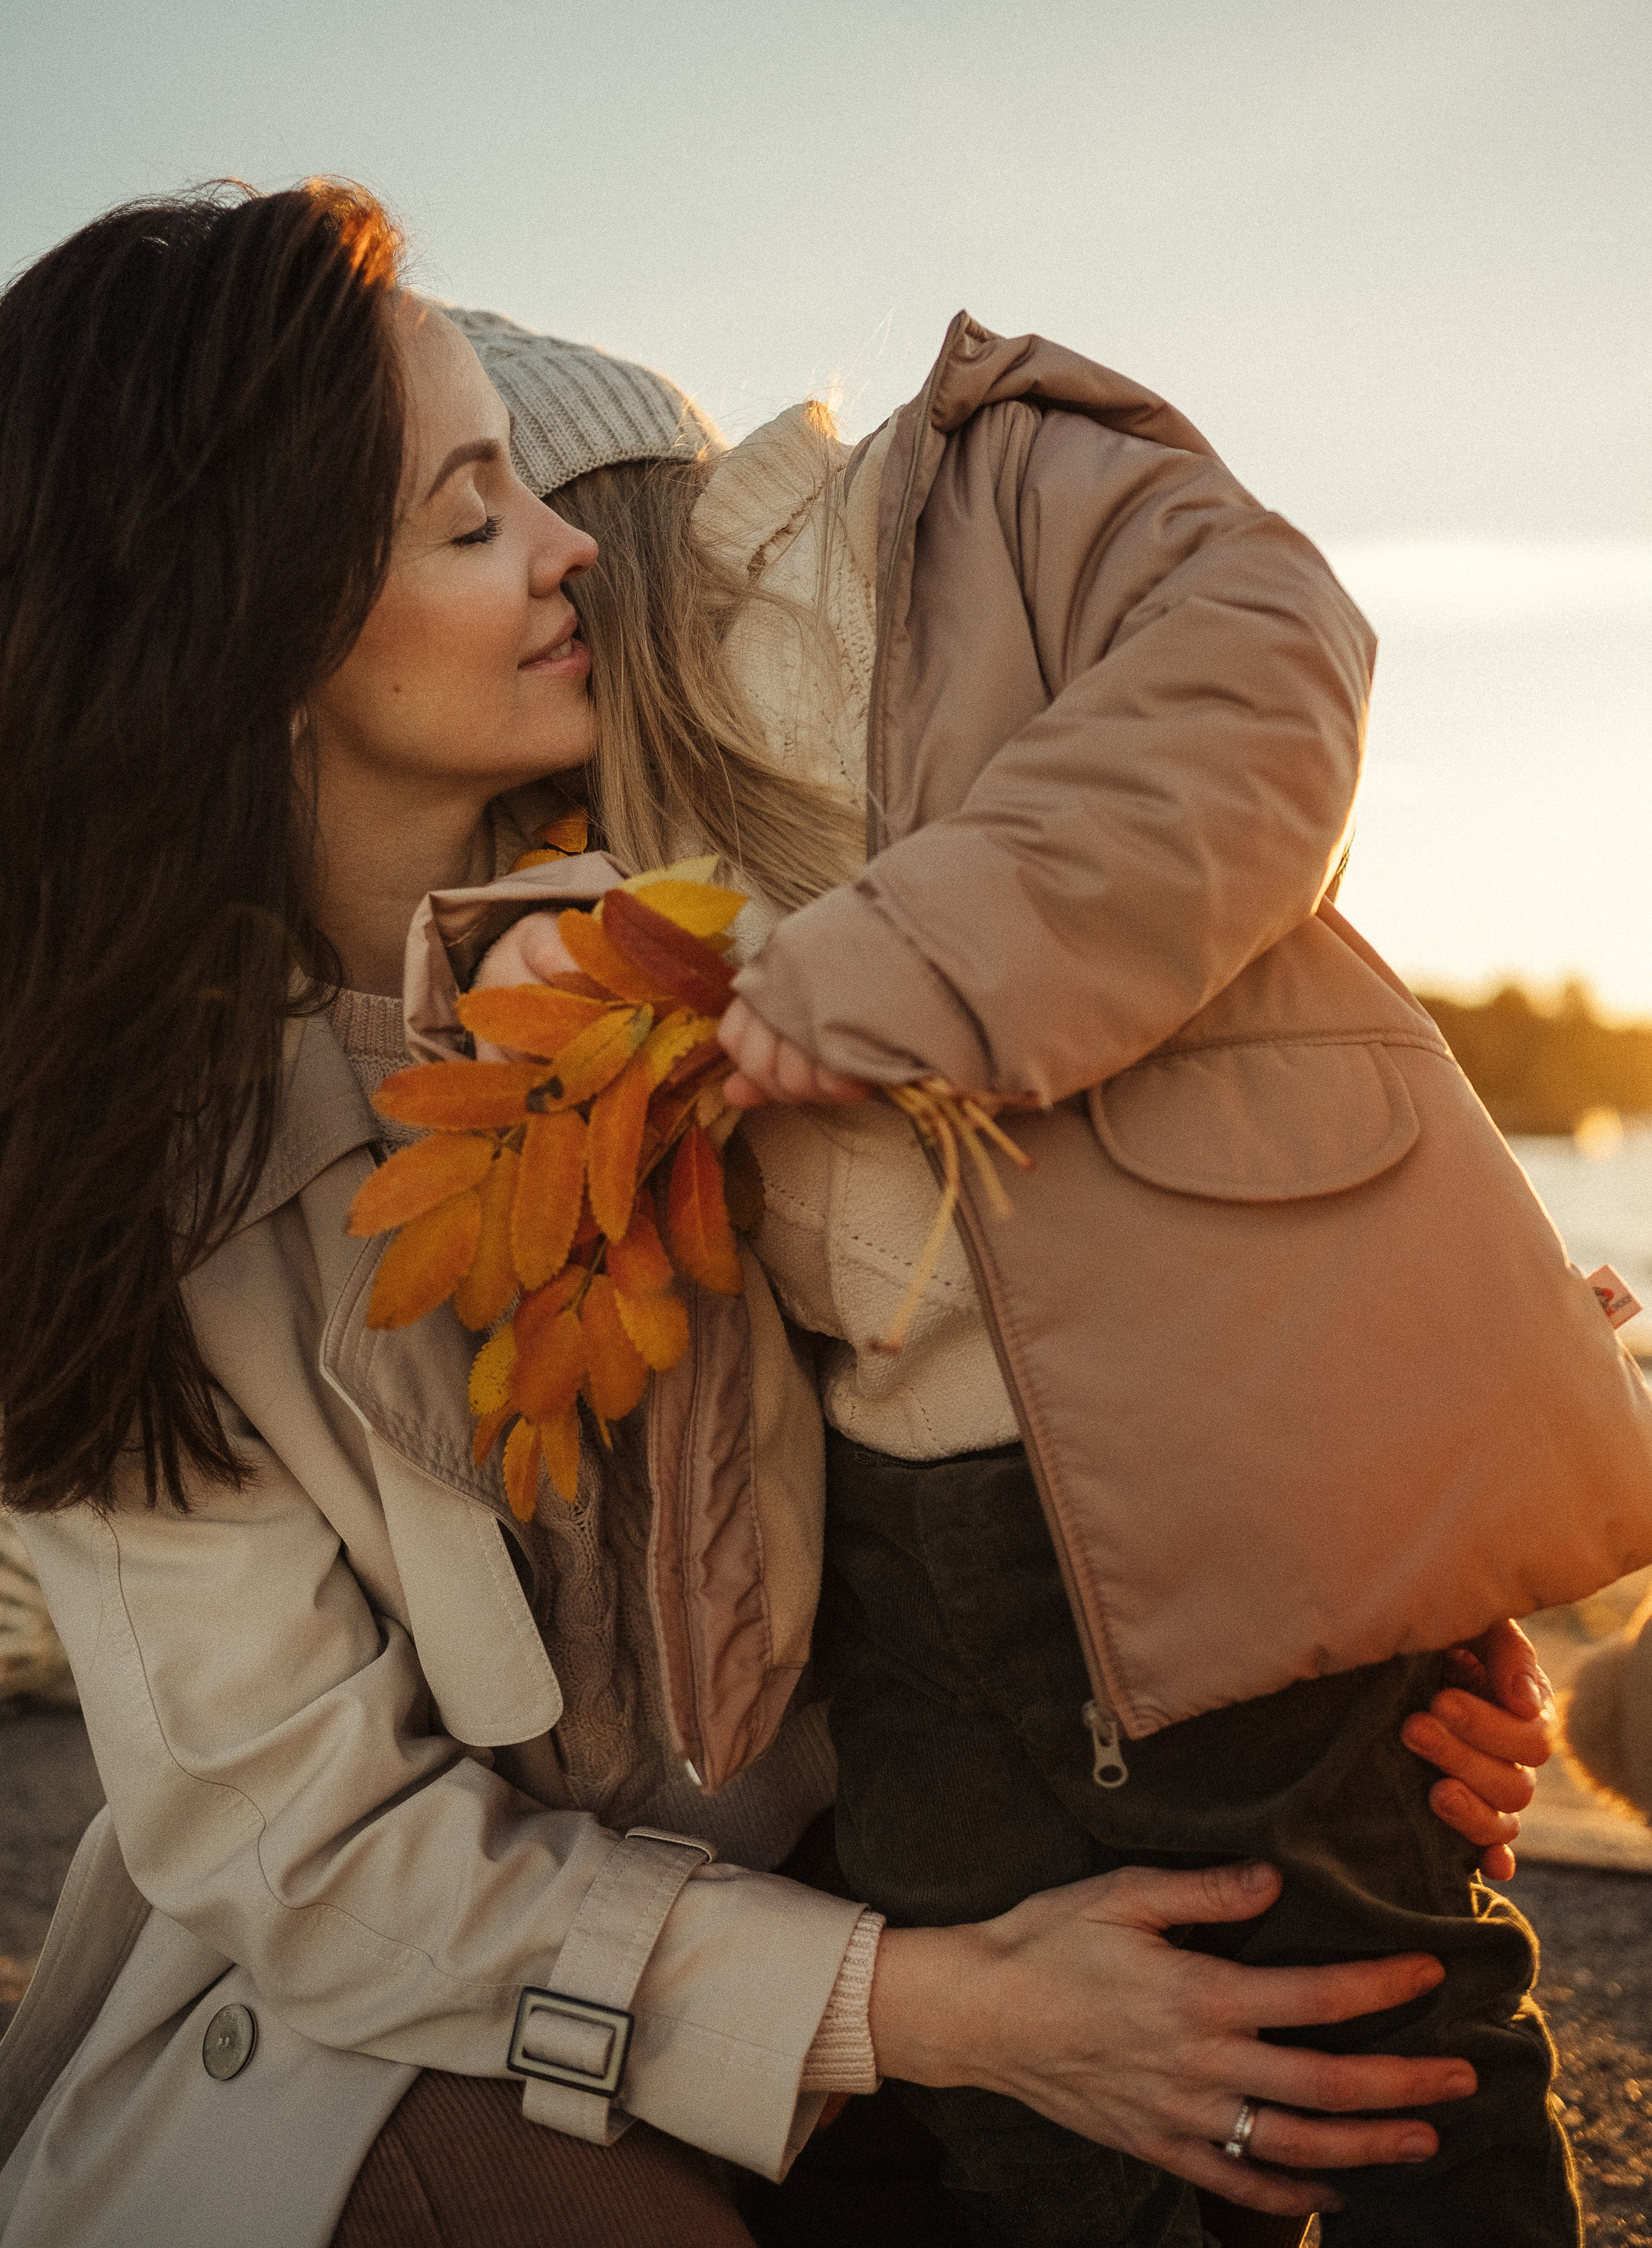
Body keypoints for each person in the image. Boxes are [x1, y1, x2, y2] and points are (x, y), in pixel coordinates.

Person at [0, 184, 1551, 2248]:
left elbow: (1056, 1341)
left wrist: (1360, 1598)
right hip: (434, 2028)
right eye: (472, 519)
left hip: (885, 1869)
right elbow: (320, 1858)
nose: (565, 559)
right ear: (254, 631)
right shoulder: (110, 1191)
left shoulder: (732, 978)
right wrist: (945, 2011)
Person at [443, 302, 1652, 2248]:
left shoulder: (987, 486)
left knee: (1376, 2023)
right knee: (1046, 2113)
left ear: (593, 514)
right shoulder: (559, 817)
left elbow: (1263, 682)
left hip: (1205, 1434)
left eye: (495, 517)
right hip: (911, 1540)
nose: (526, 575)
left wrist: (893, 969)